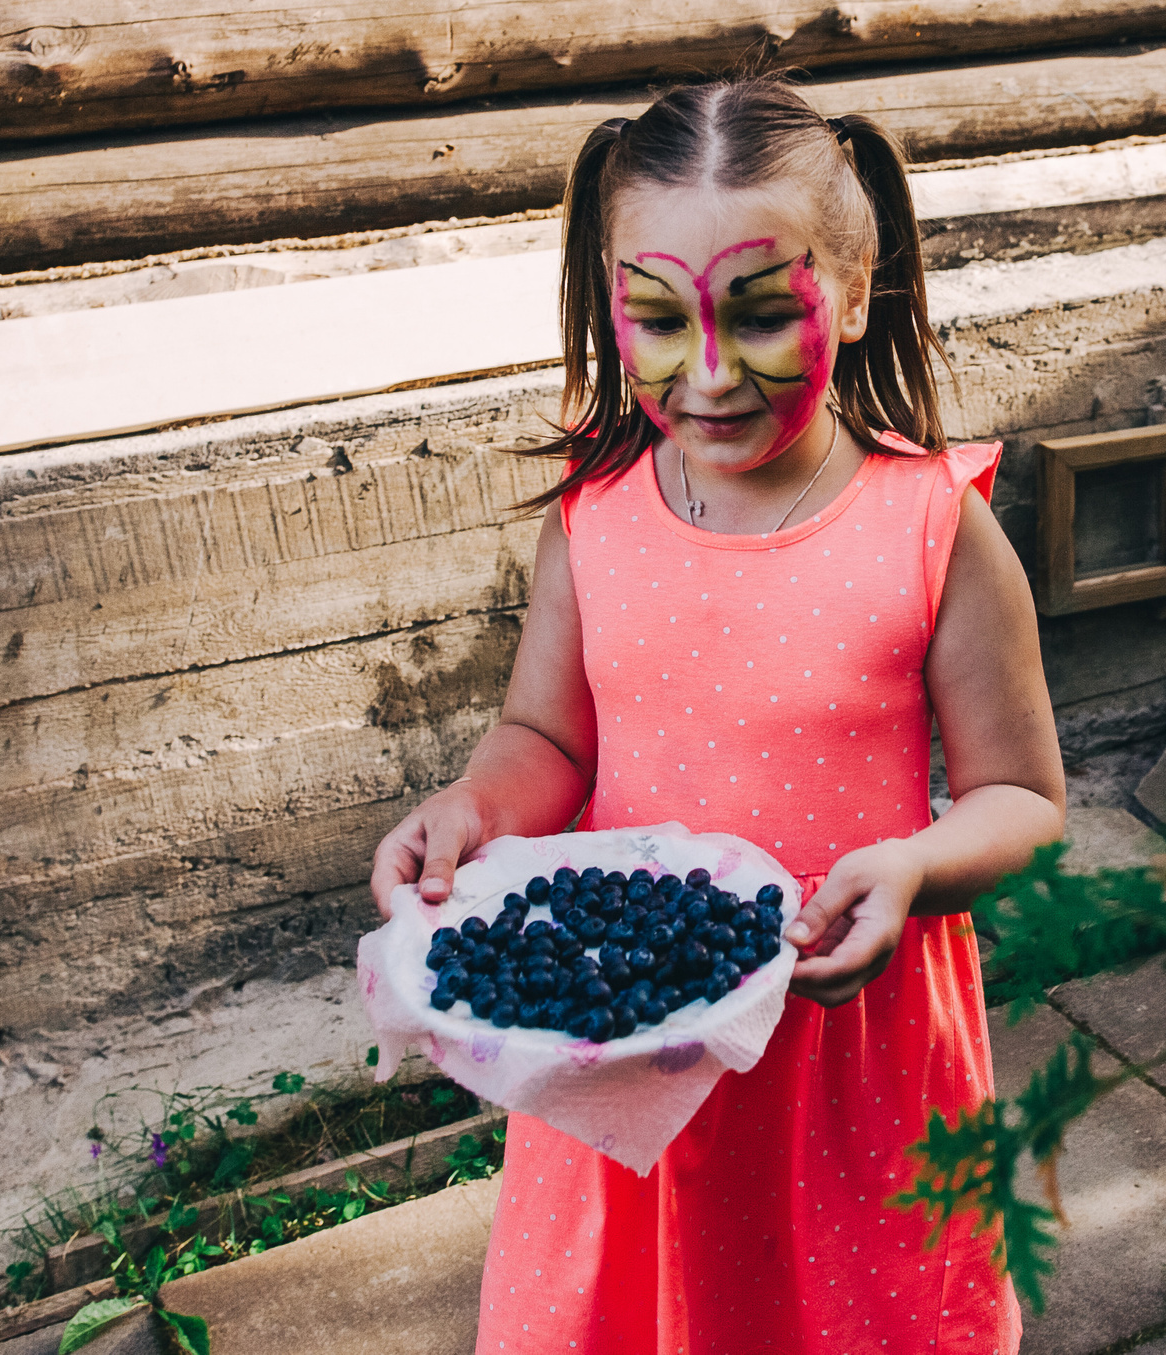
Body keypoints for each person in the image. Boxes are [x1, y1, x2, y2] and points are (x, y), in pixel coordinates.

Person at [367, 73, 1065, 1353]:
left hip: (842, 1051)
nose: (708, 373)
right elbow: (550, 743)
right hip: (629, 1049)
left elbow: (1024, 803)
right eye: (657, 320)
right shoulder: (593, 524)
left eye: (758, 315)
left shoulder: (932, 530)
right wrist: (471, 809)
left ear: (855, 295)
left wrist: (915, 865)